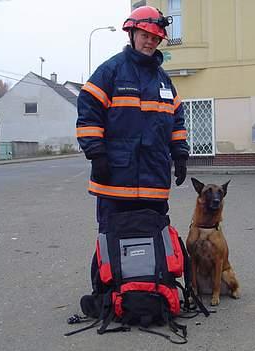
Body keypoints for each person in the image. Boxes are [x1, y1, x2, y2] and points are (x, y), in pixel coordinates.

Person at [76, 6, 189, 305]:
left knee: (154, 235)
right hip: (115, 177)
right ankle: (109, 292)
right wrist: (96, 154)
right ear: (132, 33)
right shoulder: (111, 71)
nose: (150, 41)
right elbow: (88, 111)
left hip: (153, 179)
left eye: (155, 37)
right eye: (144, 35)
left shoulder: (165, 81)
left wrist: (180, 155)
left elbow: (177, 119)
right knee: (111, 235)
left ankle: (153, 288)